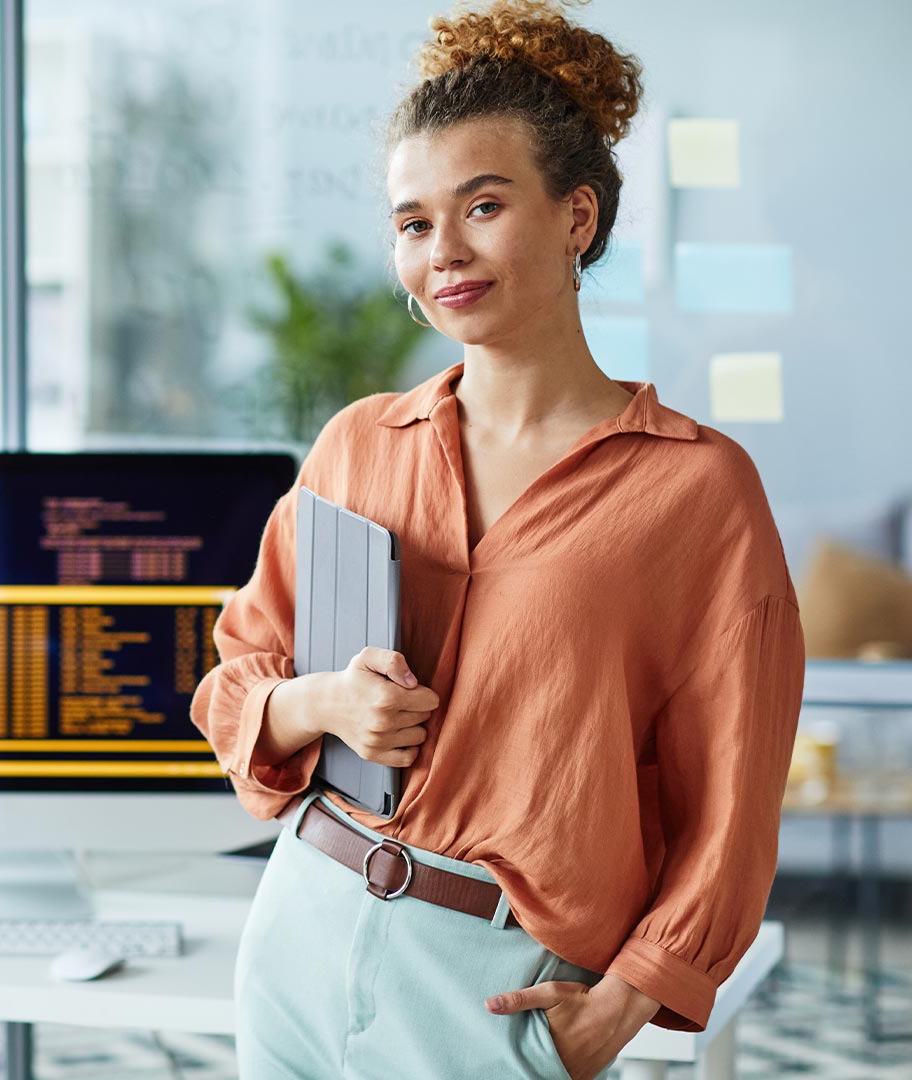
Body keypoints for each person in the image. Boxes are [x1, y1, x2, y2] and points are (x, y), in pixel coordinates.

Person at [190, 1, 806, 1077]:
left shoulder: (699, 492)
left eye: (482, 206)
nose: (444, 253)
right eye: (413, 223)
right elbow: (242, 672)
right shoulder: (359, 444)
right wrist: (324, 702)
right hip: (299, 925)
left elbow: (734, 807)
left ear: (577, 217)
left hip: (491, 979)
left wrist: (621, 1004)